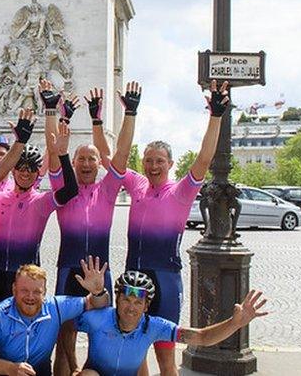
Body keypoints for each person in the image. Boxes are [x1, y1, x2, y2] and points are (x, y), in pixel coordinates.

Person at [97, 81, 230, 376]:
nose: (153, 166)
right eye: (148, 161)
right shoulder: (137, 184)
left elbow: (204, 159)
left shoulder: (182, 191)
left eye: (159, 161)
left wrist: (216, 116)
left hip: (166, 278)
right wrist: (103, 119)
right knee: (135, 349)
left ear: (170, 163)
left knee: (165, 353)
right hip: (135, 275)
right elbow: (110, 157)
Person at [40, 82, 137, 376]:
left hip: (100, 271)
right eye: (80, 158)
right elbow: (53, 147)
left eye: (90, 158)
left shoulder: (108, 189)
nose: (84, 163)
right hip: (68, 268)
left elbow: (121, 153)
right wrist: (51, 112)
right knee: (64, 334)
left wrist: (127, 114)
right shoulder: (63, 188)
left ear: (99, 164)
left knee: (100, 333)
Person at [76, 272, 268, 376]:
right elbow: (66, 325)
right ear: (117, 299)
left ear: (146, 306)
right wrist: (71, 363)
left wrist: (234, 324)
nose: (131, 308)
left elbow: (201, 337)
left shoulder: (153, 326)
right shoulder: (99, 318)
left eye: (138, 302)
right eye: (126, 300)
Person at [0, 113, 79, 305]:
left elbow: (72, 190)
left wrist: (63, 154)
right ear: (13, 170)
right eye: (21, 168)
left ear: (37, 173)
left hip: (29, 277)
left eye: (31, 169)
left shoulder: (43, 201)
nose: (26, 173)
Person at [0, 258, 110, 376]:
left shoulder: (55, 307)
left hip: (39, 373)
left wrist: (98, 292)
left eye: (37, 292)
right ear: (14, 290)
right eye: (24, 290)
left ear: (45, 292)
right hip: (7, 372)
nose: (30, 297)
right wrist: (11, 369)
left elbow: (96, 303)